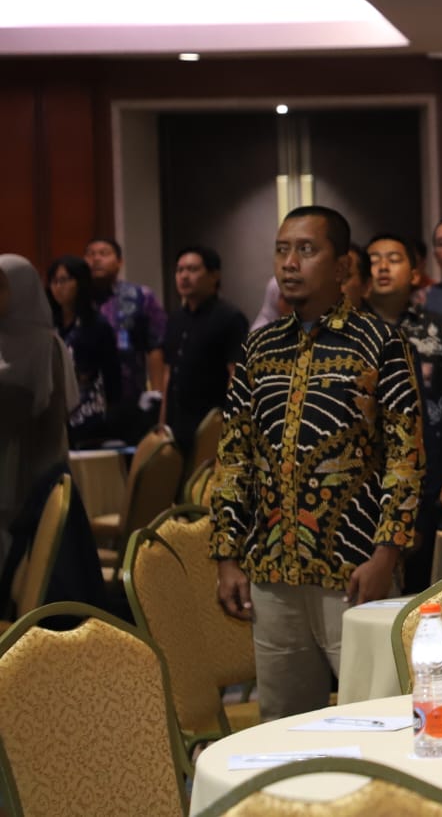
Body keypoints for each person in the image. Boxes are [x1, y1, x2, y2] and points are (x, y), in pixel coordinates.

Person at [210, 205, 423, 721]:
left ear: (342, 266)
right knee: (282, 726)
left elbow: (405, 457)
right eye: (282, 250)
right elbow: (233, 457)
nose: (290, 262)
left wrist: (386, 556)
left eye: (306, 250)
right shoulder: (259, 348)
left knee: (375, 719)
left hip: (354, 570)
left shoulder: (379, 342)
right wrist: (226, 556)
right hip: (270, 572)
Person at [367, 232, 442, 594]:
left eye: (394, 258)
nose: (383, 266)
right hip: (368, 486)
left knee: (430, 592)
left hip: (435, 482)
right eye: (373, 259)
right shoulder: (352, 334)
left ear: (416, 274)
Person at [0, 254, 74, 563]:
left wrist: (34, 495)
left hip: (24, 476)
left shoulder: (45, 346)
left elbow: (51, 428)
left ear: (21, 290)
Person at [157, 245, 249, 458]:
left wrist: (231, 427)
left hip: (211, 426)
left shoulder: (230, 317)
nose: (184, 276)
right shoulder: (175, 319)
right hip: (176, 427)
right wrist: (161, 423)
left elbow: (235, 375)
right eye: (180, 270)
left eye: (192, 269)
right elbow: (168, 374)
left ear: (214, 275)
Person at [47, 255, 119, 444]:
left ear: (80, 282)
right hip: (54, 413)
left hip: (89, 413)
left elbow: (112, 375)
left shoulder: (97, 325)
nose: (58, 287)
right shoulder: (49, 325)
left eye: (64, 280)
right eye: (53, 281)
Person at [84, 236, 167, 400]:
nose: (96, 259)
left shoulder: (141, 296)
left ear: (119, 261)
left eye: (104, 253)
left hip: (129, 395)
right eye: (91, 254)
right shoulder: (77, 300)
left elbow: (156, 347)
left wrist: (158, 394)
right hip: (84, 400)